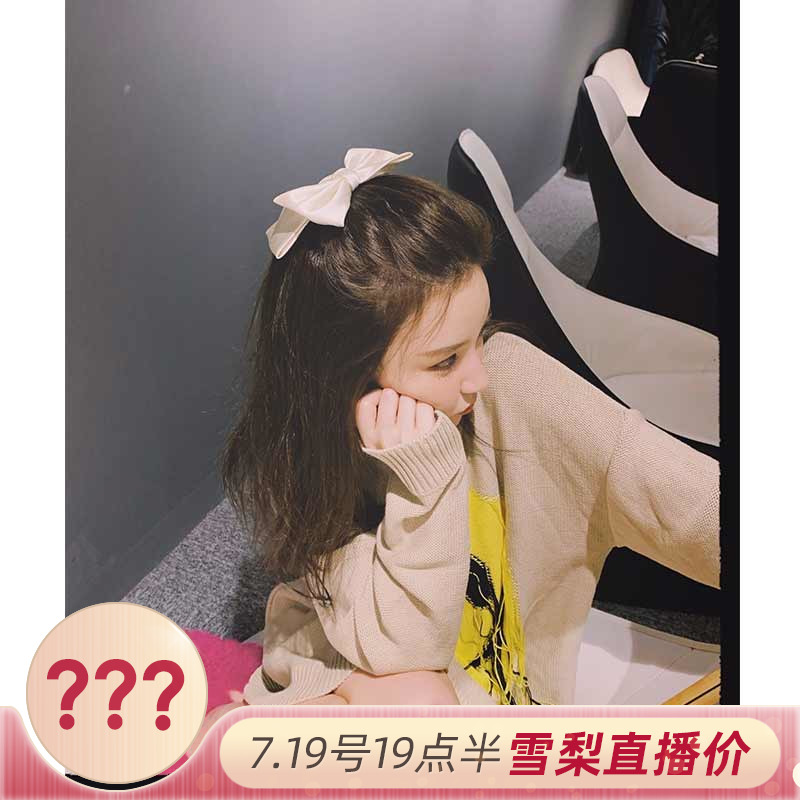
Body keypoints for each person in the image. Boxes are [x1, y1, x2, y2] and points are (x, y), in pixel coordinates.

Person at [215, 147, 719, 712]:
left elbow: (683, 496)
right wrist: (425, 480)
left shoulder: (511, 380)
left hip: (454, 681)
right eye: (445, 361)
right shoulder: (319, 463)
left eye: (479, 334)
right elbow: (403, 648)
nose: (478, 376)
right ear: (346, 381)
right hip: (352, 650)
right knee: (404, 708)